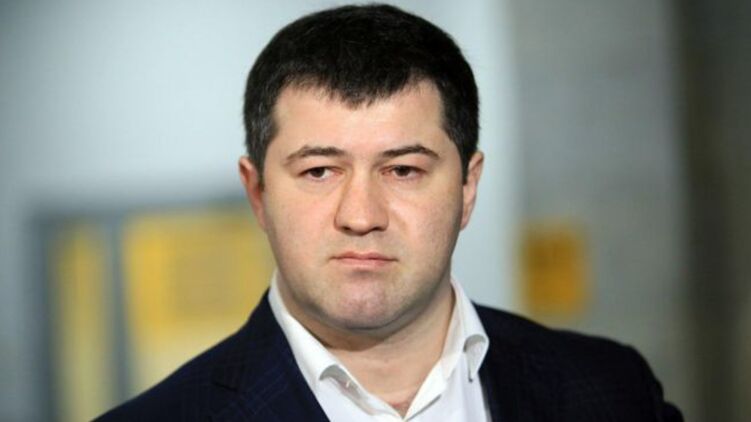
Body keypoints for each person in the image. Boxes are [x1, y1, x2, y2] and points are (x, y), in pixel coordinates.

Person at [97, 4, 682, 421]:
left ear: (468, 187)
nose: (361, 215)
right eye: (319, 171)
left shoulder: (611, 391)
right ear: (258, 195)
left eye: (403, 170)